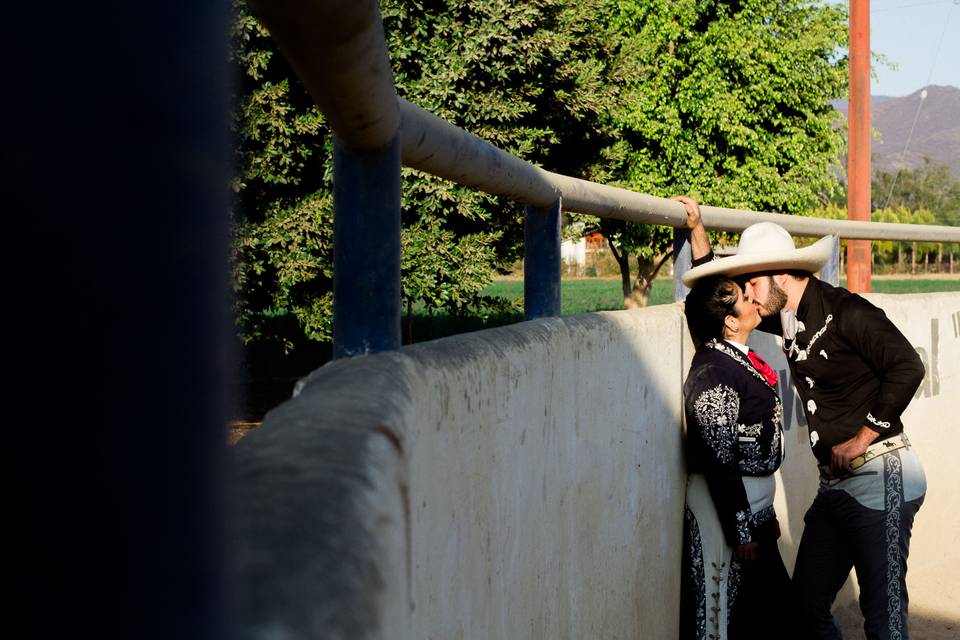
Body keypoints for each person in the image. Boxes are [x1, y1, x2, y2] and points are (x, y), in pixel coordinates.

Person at [680, 209, 927, 640]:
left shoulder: (847, 311)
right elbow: (718, 304)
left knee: (883, 616)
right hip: (835, 487)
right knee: (804, 606)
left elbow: (908, 367)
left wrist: (861, 438)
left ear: (778, 274)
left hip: (881, 474)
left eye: (753, 284)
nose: (751, 298)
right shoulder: (784, 313)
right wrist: (697, 233)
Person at [679, 273, 793, 640]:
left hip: (753, 512)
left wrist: (766, 515)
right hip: (726, 514)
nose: (752, 298)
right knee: (720, 612)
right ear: (730, 321)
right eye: (744, 297)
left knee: (765, 611)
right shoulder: (714, 372)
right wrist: (742, 531)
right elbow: (719, 459)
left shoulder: (735, 360)